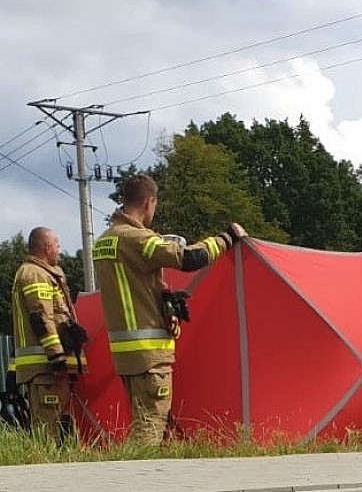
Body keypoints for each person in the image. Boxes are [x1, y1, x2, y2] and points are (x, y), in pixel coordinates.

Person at [93, 174, 246, 445]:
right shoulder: (139, 239)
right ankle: (133, 482)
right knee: (149, 427)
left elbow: (133, 286)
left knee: (147, 421)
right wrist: (226, 238)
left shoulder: (104, 240)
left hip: (125, 354)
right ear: (148, 202)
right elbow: (188, 258)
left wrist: (160, 295)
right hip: (149, 353)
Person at [10, 227, 87, 441]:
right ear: (47, 247)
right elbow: (41, 318)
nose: (59, 251)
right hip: (45, 366)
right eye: (58, 246)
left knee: (57, 423)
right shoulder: (35, 274)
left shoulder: (42, 273)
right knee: (48, 428)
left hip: (48, 367)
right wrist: (57, 355)